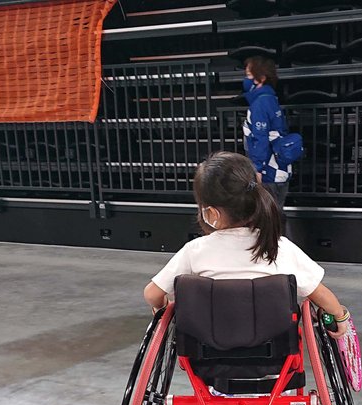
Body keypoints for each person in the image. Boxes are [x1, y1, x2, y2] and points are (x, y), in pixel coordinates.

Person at [144, 151, 348, 337]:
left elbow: (152, 293)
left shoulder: (194, 251)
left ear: (211, 213)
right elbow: (319, 294)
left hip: (208, 358)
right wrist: (339, 316)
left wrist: (163, 308)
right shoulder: (278, 247)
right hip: (275, 354)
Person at [242, 56, 293, 211]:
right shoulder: (272, 100)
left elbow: (260, 139)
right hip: (281, 170)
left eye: (249, 75)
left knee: (266, 221)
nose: (246, 80)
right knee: (276, 217)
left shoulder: (260, 104)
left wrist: (257, 169)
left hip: (268, 173)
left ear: (261, 78)